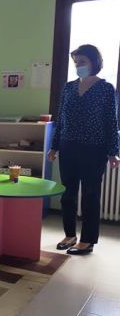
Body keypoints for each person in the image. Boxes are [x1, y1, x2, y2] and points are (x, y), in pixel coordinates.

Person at [49, 44, 120, 255]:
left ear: (93, 62)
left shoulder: (105, 89)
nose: (78, 65)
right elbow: (61, 119)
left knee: (90, 194)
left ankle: (87, 240)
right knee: (67, 194)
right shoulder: (68, 88)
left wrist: (114, 151)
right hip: (68, 147)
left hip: (94, 150)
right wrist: (54, 146)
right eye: (76, 62)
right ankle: (70, 235)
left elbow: (111, 122)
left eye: (82, 61)